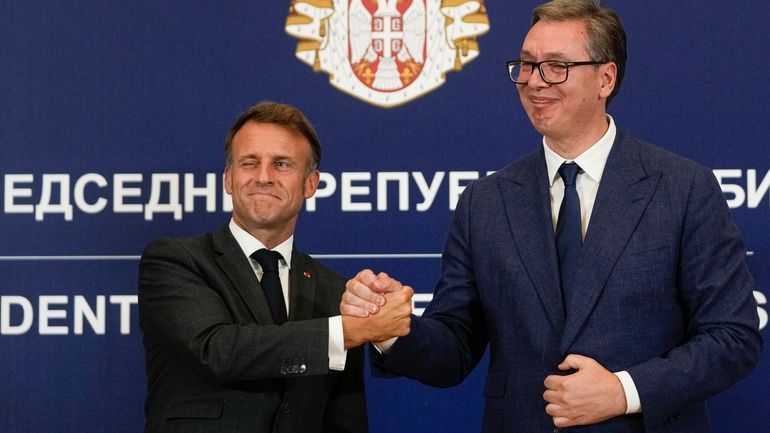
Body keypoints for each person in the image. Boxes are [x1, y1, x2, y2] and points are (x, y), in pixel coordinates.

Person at [341, 1, 763, 432]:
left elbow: (732, 337)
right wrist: (392, 329)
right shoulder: (485, 203)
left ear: (605, 78)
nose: (534, 82)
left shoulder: (683, 188)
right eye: (526, 65)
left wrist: (624, 390)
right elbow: (454, 348)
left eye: (556, 66)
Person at [138, 101, 412, 433]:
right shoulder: (175, 261)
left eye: (281, 164)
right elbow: (217, 350)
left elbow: (344, 418)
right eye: (249, 163)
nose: (263, 177)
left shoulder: (333, 290)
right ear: (229, 178)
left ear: (310, 184)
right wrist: (348, 332)